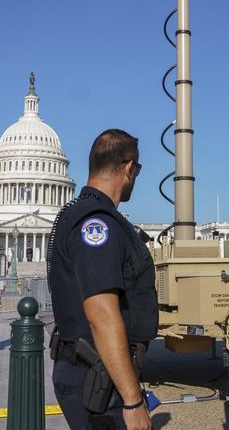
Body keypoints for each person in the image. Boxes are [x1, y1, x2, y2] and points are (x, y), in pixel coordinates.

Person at [48, 129, 158, 430]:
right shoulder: (98, 224)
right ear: (129, 168)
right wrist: (133, 401)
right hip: (97, 376)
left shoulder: (79, 215)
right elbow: (102, 315)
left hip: (95, 370)